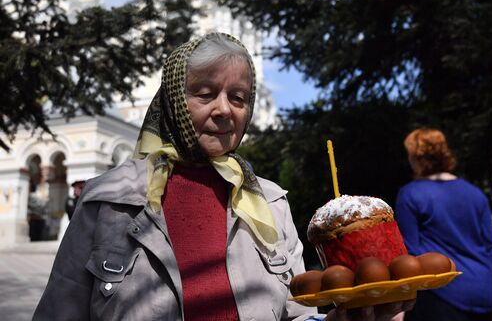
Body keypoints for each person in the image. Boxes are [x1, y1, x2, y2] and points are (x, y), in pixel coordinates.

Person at [33, 32, 412, 321]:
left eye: (239, 97)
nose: (224, 110)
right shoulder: (111, 201)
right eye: (205, 93)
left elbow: (296, 312)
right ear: (174, 100)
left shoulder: (268, 203)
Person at [394, 128, 492, 321]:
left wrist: (398, 308)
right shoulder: (475, 194)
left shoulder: (410, 194)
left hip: (441, 294)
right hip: (484, 293)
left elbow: (410, 254)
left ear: (416, 157)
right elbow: (491, 250)